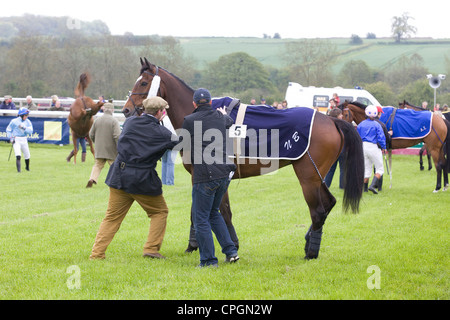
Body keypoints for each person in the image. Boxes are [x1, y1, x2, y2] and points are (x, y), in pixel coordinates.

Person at [89, 96, 178, 260]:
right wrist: (165, 123)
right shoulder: (162, 132)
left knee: (111, 218)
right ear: (160, 112)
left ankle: (96, 254)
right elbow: (179, 143)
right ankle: (151, 248)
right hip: (143, 180)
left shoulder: (130, 122)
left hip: (119, 176)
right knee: (159, 212)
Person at [182, 88, 239, 268]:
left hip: (205, 175)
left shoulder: (189, 120)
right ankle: (230, 251)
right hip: (224, 174)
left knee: (201, 219)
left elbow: (184, 143)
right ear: (211, 102)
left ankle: (208, 260)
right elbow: (230, 122)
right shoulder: (221, 118)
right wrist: (222, 113)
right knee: (214, 213)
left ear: (194, 104)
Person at [86, 103, 121, 188]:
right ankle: (117, 182)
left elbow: (91, 134)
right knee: (114, 166)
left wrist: (96, 142)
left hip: (99, 148)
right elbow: (117, 135)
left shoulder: (97, 120)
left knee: (98, 165)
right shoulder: (114, 121)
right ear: (112, 110)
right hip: (111, 149)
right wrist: (119, 146)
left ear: (104, 109)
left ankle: (92, 179)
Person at [357, 105, 386, 194]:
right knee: (380, 169)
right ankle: (372, 185)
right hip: (373, 147)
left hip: (363, 147)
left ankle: (364, 189)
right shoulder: (377, 124)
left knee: (366, 169)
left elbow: (357, 136)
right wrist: (384, 147)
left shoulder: (361, 124)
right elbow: (381, 137)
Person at [6, 108, 33, 172]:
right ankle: (19, 171)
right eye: (26, 115)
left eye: (27, 115)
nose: (27, 117)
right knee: (18, 155)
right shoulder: (14, 121)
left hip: (24, 139)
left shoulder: (28, 122)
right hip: (16, 139)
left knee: (27, 155)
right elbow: (8, 130)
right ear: (21, 115)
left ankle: (27, 168)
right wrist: (11, 138)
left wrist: (23, 127)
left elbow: (30, 131)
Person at [325, 108, 345, 189]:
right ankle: (342, 186)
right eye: (340, 114)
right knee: (343, 169)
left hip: (332, 150)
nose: (342, 116)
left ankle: (326, 185)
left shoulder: (328, 125)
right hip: (342, 149)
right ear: (337, 116)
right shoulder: (343, 125)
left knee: (330, 169)